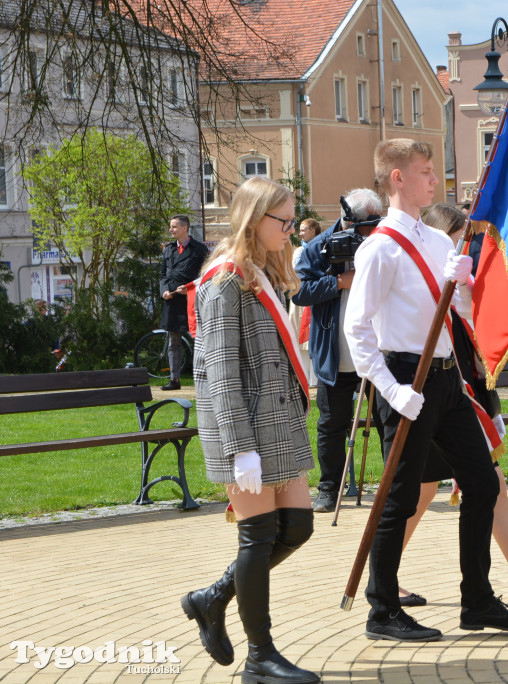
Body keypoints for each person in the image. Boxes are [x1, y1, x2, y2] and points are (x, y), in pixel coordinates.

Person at [344, 139, 508, 642]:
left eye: (434, 172)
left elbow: (463, 318)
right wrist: (390, 390)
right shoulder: (380, 248)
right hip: (405, 375)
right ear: (397, 179)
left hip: (448, 375)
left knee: (481, 481)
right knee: (400, 497)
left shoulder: (437, 242)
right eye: (425, 172)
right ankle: (381, 609)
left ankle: (477, 600)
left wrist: (465, 287)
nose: (436, 180)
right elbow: (358, 330)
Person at [394, 203, 508, 608]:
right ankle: (383, 576)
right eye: (458, 239)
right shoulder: (424, 275)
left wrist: (465, 285)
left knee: (480, 487)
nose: (464, 248)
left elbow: (476, 328)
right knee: (423, 494)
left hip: (462, 397)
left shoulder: (458, 277)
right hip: (436, 398)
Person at [182, 176, 319, 684]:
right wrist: (241, 450)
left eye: (289, 220)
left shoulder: (261, 272)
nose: (289, 230)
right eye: (281, 221)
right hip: (245, 433)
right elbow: (219, 371)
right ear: (252, 218)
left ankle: (212, 598)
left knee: (298, 528)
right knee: (257, 539)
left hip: (277, 425)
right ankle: (260, 658)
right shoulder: (223, 281)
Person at [293, 189, 382, 512]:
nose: (373, 232)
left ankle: (392, 486)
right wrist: (339, 282)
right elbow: (299, 292)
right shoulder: (318, 248)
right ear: (349, 221)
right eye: (367, 226)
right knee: (332, 424)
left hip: (376, 353)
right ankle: (330, 489)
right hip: (335, 355)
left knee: (386, 419)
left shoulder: (382, 244)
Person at [159, 214, 208, 390]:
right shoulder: (168, 249)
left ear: (185, 228)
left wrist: (190, 288)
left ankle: (204, 378)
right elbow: (163, 274)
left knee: (199, 341)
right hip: (172, 302)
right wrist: (163, 290)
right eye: (170, 227)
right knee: (174, 343)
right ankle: (175, 380)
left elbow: (206, 276)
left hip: (192, 302)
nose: (171, 230)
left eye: (174, 227)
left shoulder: (199, 250)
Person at [289, 218, 322, 388]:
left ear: (313, 231)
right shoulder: (299, 251)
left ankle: (315, 378)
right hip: (299, 298)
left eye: (303, 230)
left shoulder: (321, 248)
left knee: (313, 336)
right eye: (300, 230)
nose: (300, 233)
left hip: (314, 297)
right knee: (299, 336)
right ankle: (303, 376)